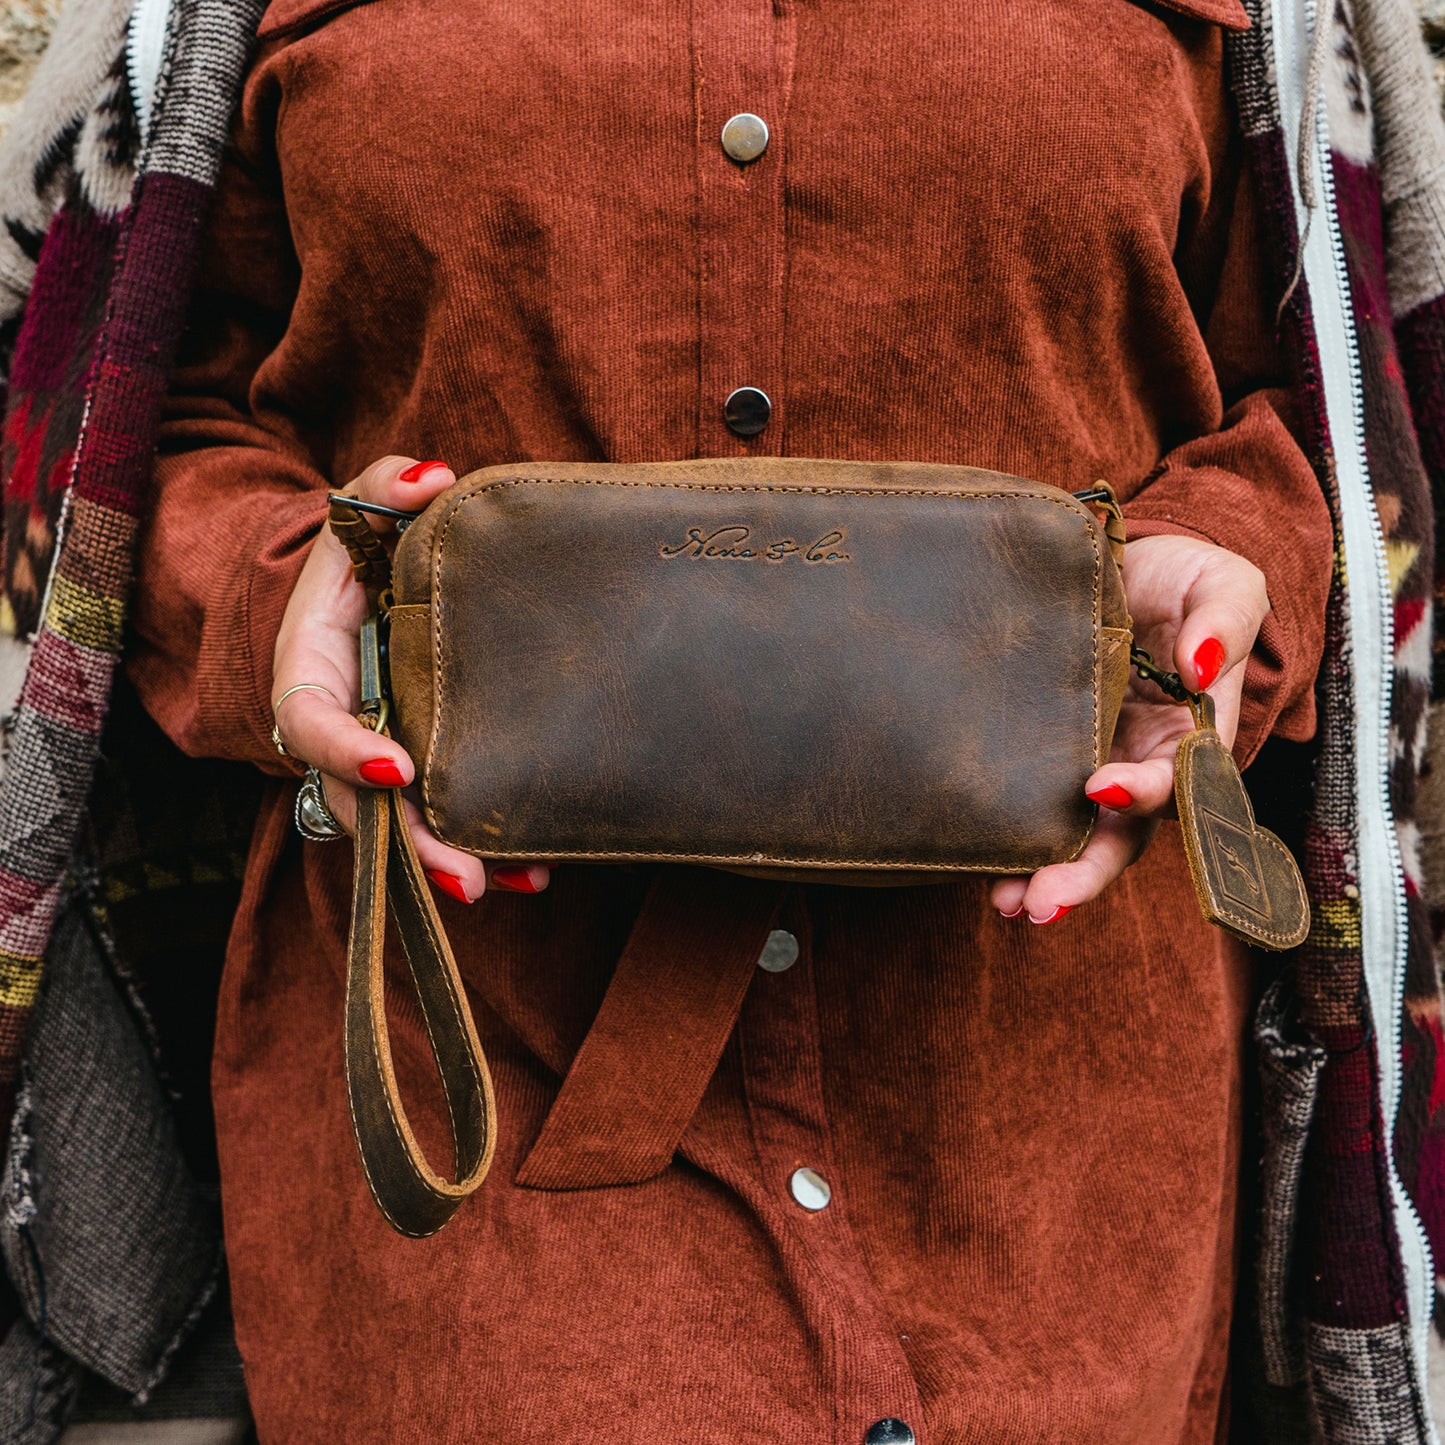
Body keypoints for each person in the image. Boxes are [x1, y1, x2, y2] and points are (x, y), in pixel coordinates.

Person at [125, 0, 1335, 1437]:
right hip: (483, 1059)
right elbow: (139, 422)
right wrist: (285, 601)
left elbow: (1312, 398)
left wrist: (1217, 578)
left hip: (1033, 1110)